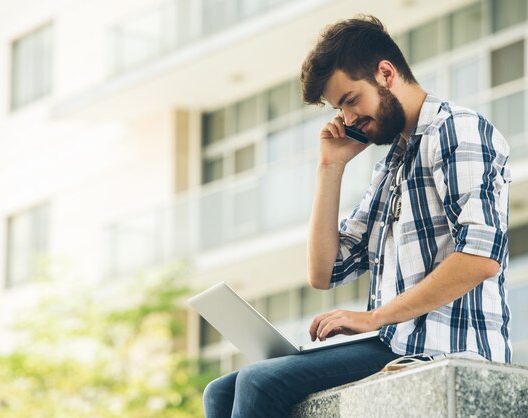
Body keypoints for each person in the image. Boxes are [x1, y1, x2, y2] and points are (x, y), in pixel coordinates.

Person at [202, 14, 512, 418]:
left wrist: (373, 318)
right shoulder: (393, 163)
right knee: (220, 392)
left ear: (386, 73)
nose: (347, 120)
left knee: (260, 381)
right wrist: (330, 167)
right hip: (393, 341)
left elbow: (481, 257)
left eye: (350, 101)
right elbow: (324, 271)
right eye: (338, 109)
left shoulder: (457, 130)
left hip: (446, 347)